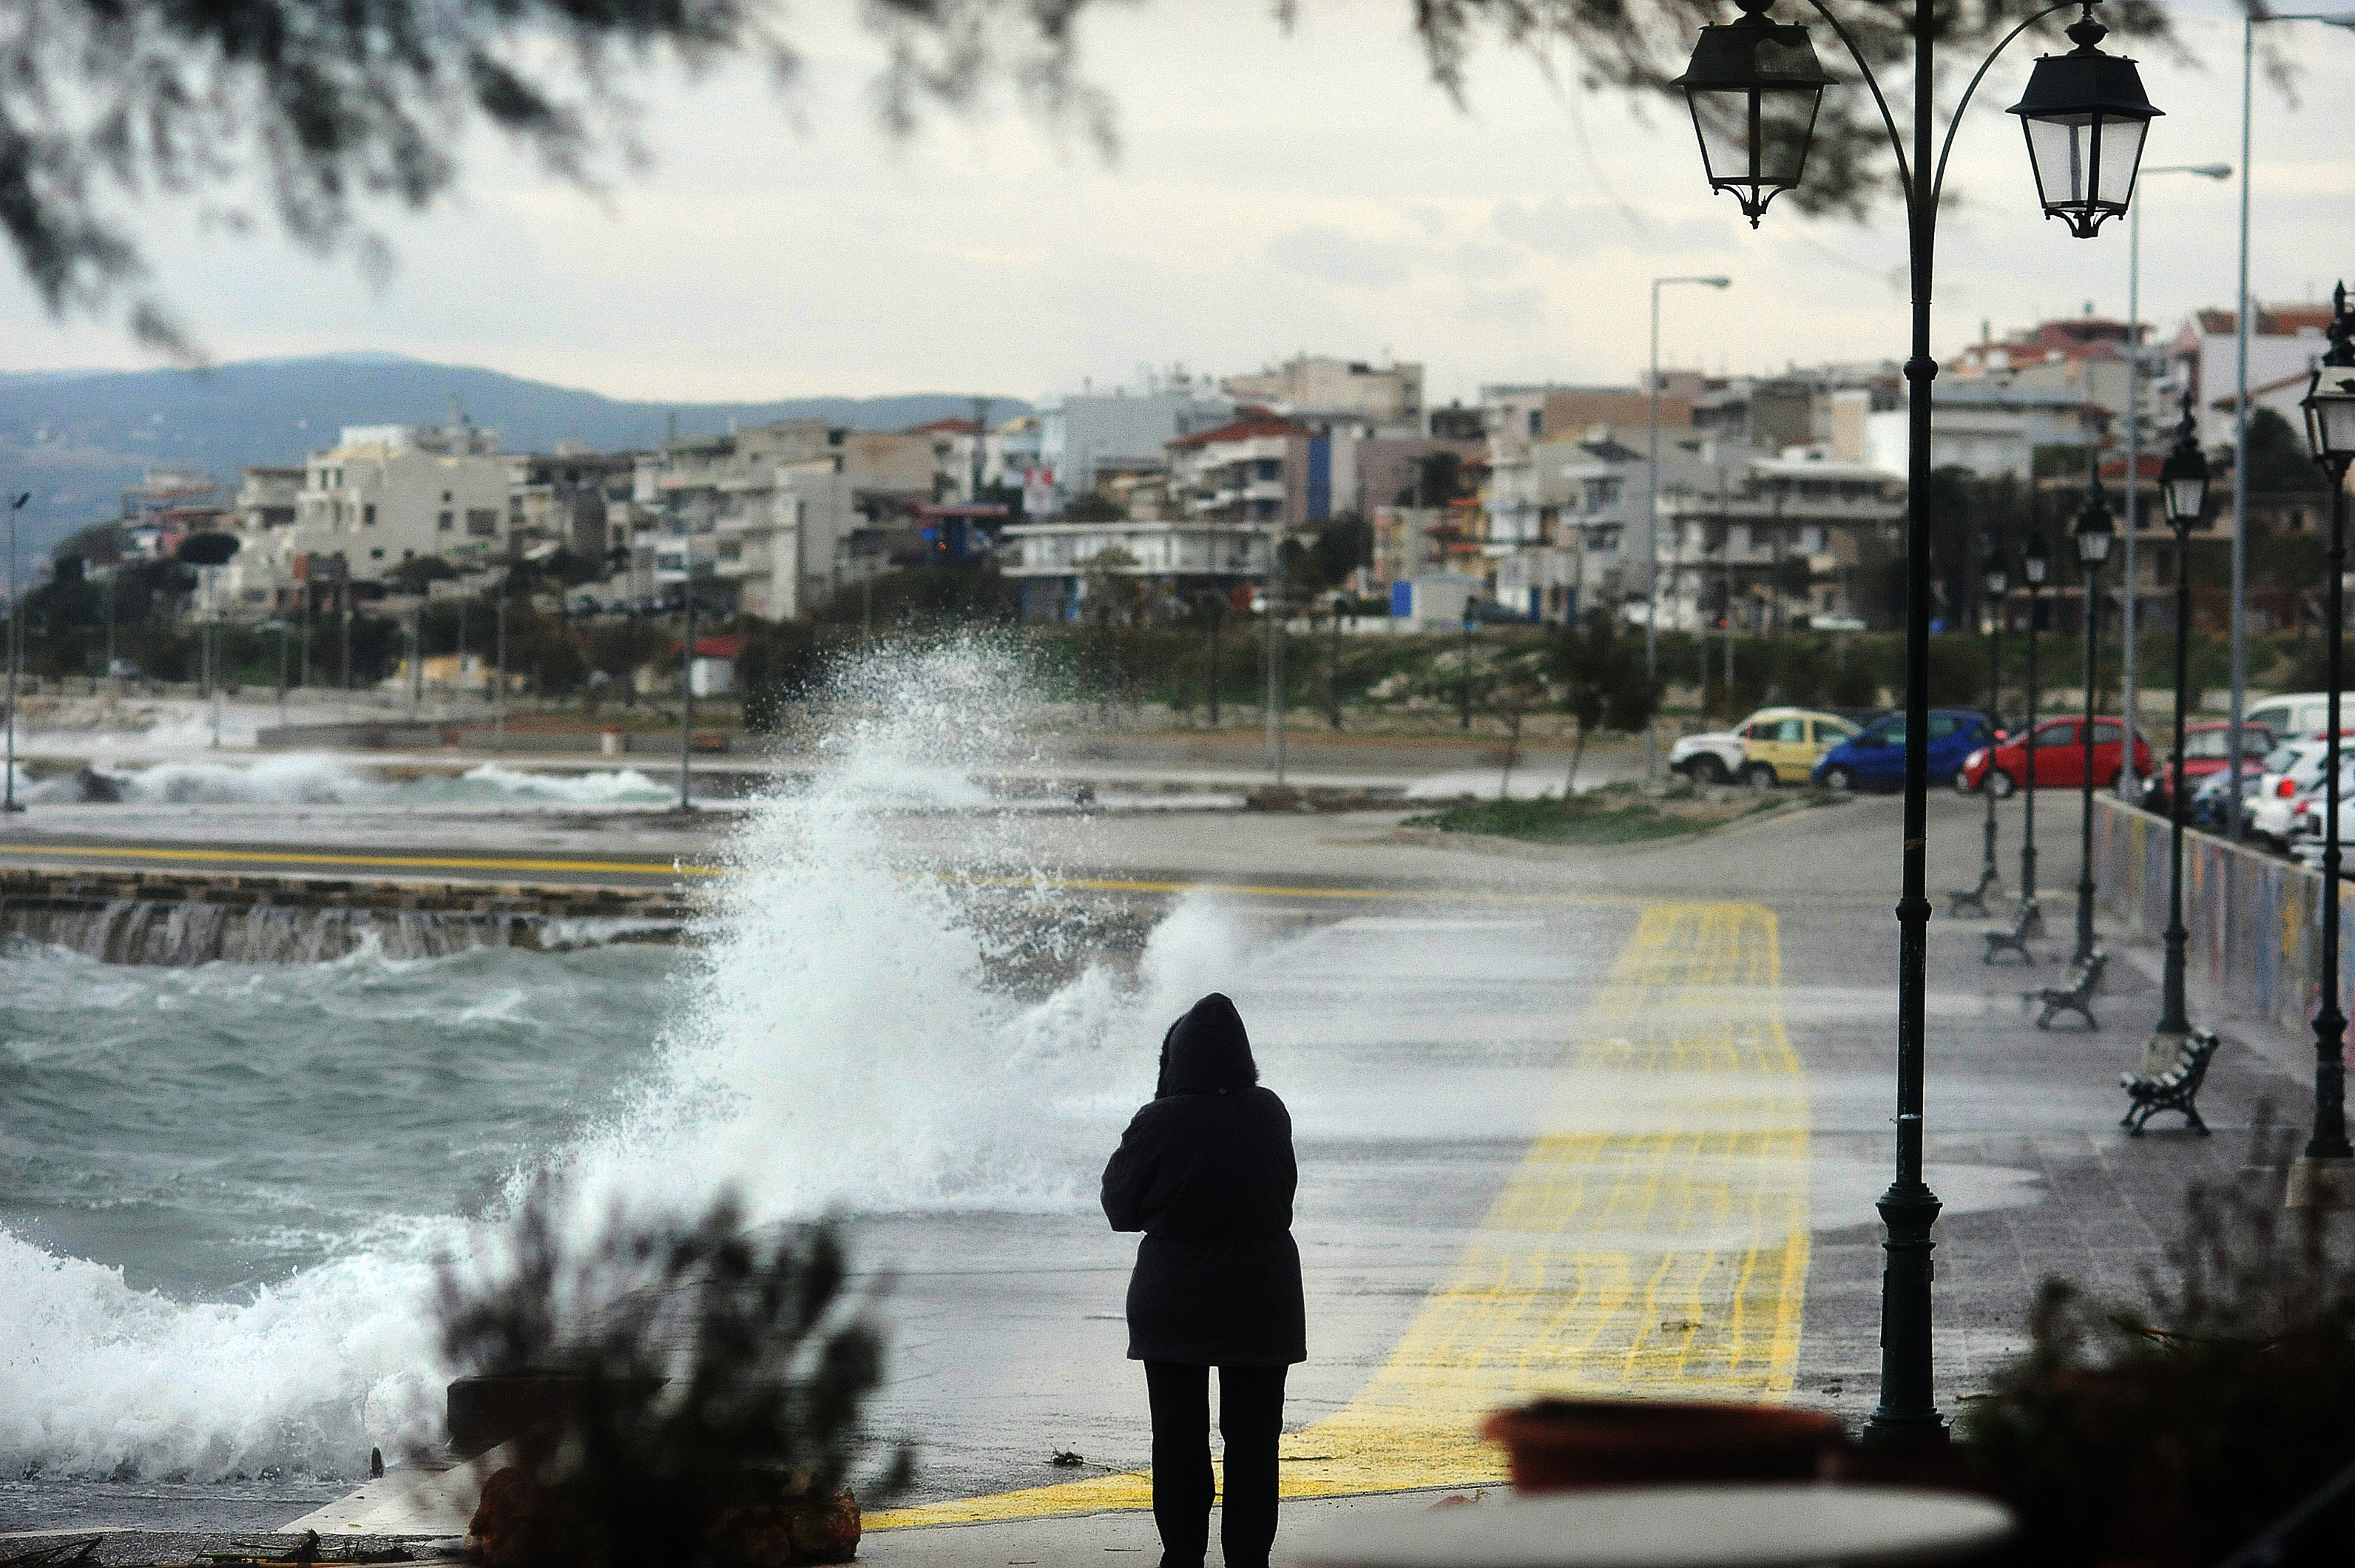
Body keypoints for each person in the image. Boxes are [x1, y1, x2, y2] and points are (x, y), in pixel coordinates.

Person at [1101, 993, 1305, 1568]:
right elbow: (1280, 1194)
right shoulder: (1270, 1112)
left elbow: (1120, 1207)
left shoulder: (1158, 1120)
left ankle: (1183, 1556)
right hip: (1263, 1299)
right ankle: (1248, 1560)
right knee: (1254, 1443)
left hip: (1175, 1300)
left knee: (1178, 1439)